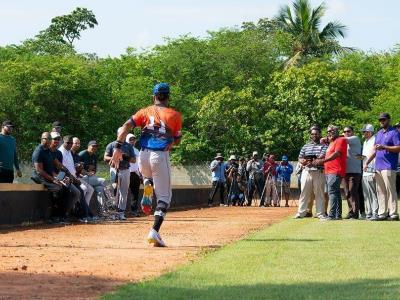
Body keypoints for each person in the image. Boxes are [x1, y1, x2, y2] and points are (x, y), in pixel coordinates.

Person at [109, 82, 182, 247]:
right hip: (160, 155)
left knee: (148, 175)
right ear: (168, 97)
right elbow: (177, 141)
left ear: (153, 96)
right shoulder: (175, 115)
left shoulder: (144, 112)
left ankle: (147, 183)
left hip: (143, 154)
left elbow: (125, 126)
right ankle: (154, 232)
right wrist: (172, 140)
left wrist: (117, 148)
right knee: (164, 197)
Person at [364, 113, 400, 221]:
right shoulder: (378, 133)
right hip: (378, 166)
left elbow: (398, 148)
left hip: (389, 166)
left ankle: (393, 213)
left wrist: (384, 147)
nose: (382, 122)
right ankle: (382, 213)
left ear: (388, 120)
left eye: (384, 119)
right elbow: (375, 150)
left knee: (390, 190)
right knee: (380, 191)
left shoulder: (394, 133)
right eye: (380, 120)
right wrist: (367, 162)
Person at [59, 135, 94, 222]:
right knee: (78, 192)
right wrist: (74, 178)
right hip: (64, 178)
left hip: (72, 178)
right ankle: (67, 214)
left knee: (81, 191)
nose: (70, 144)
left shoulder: (69, 152)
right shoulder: (61, 152)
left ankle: (84, 214)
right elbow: (62, 168)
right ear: (64, 142)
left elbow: (71, 168)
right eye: (68, 142)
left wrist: (78, 168)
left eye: (71, 143)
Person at [294, 127, 328, 219]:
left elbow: (322, 157)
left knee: (319, 193)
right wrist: (304, 161)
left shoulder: (324, 146)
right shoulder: (305, 146)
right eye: (312, 134)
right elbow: (300, 158)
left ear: (320, 134)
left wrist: (312, 161)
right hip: (306, 171)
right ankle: (301, 213)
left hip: (319, 171)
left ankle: (320, 213)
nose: (314, 135)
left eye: (316, 134)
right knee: (304, 192)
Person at [316, 125, 348, 221]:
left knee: (332, 192)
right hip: (329, 171)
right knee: (336, 192)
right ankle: (338, 215)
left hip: (335, 170)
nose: (329, 133)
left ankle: (332, 215)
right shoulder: (332, 142)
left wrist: (323, 160)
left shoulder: (340, 140)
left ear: (336, 131)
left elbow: (337, 154)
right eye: (328, 131)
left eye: (331, 131)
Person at [105, 129, 136, 220]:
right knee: (114, 190)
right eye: (121, 133)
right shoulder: (111, 145)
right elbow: (105, 157)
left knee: (124, 191)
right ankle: (113, 212)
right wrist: (115, 157)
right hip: (114, 169)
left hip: (125, 170)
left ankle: (121, 212)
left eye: (124, 133)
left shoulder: (129, 146)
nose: (123, 135)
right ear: (118, 134)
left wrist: (125, 157)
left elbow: (134, 160)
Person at [78, 140, 107, 216]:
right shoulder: (82, 154)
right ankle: (111, 201)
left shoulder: (94, 156)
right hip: (82, 178)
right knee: (103, 181)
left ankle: (102, 212)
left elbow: (94, 170)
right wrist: (87, 172)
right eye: (93, 146)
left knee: (100, 189)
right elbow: (77, 168)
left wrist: (92, 173)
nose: (94, 148)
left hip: (91, 178)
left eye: (96, 146)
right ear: (88, 146)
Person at [343, 126, 363, 219]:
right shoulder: (345, 142)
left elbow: (343, 139)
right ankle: (351, 212)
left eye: (348, 131)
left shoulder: (355, 138)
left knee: (353, 192)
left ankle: (355, 214)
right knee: (347, 193)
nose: (346, 132)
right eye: (345, 131)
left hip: (354, 172)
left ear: (353, 132)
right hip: (345, 172)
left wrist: (327, 138)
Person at [361, 124, 379, 220]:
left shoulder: (375, 139)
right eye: (363, 132)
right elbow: (366, 155)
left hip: (372, 169)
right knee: (366, 194)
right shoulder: (365, 141)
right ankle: (369, 212)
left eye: (365, 131)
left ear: (370, 132)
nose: (363, 133)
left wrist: (367, 162)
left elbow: (374, 153)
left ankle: (375, 212)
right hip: (365, 170)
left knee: (373, 193)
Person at [126, 133, 141, 216]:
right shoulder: (124, 149)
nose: (132, 141)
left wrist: (140, 174)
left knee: (135, 193)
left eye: (134, 139)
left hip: (136, 174)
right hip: (127, 172)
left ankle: (134, 210)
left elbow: (139, 163)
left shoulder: (137, 150)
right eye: (131, 139)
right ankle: (121, 211)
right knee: (123, 193)